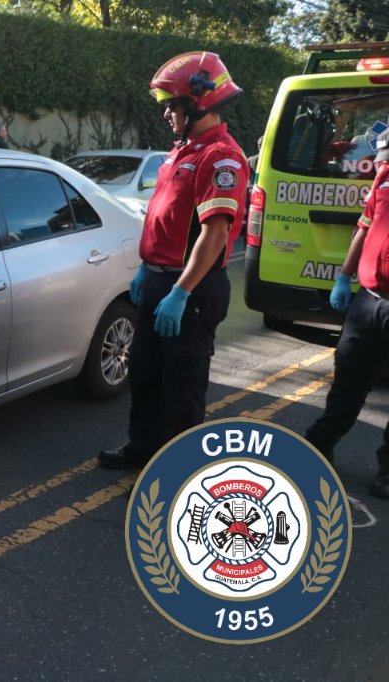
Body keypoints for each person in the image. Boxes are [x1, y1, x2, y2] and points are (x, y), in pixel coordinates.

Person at [99, 52, 248, 469]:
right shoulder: (182, 151)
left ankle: (174, 474)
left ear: (198, 103)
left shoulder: (220, 158)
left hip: (191, 289)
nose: (167, 112)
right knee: (145, 377)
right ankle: (141, 449)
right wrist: (147, 273)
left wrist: (180, 291)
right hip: (159, 283)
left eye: (172, 104)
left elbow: (215, 234)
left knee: (181, 390)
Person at [304, 129, 389, 498]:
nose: (382, 163)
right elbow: (363, 228)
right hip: (368, 301)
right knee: (347, 380)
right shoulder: (384, 179)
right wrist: (343, 276)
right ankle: (320, 444)